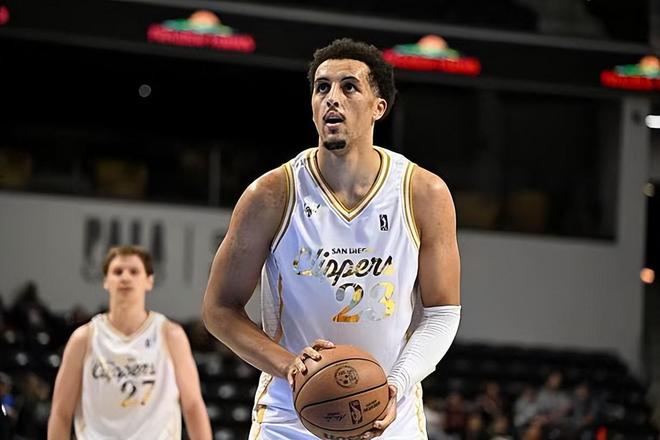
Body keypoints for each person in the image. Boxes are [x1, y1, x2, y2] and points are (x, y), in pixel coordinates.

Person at [202, 38, 462, 439]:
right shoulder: (270, 195)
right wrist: (290, 366)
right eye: (322, 87)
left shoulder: (423, 193)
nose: (332, 98)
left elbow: (442, 314)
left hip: (390, 411)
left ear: (379, 107)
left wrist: (397, 383)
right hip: (291, 412)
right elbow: (220, 309)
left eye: (349, 86)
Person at [48, 245, 212, 440]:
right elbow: (61, 411)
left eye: (134, 271)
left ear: (149, 281)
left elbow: (193, 405)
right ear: (106, 281)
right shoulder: (83, 338)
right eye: (117, 272)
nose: (125, 277)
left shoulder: (171, 335)